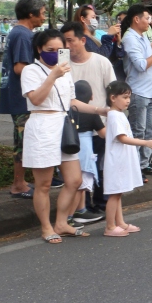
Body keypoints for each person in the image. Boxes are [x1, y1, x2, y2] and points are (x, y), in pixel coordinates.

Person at [21, 29, 101, 243]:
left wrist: (100, 110)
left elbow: (72, 102)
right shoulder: (31, 71)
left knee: (75, 180)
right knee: (44, 184)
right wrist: (53, 76)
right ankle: (47, 228)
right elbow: (36, 99)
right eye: (50, 50)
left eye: (59, 50)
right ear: (39, 49)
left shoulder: (66, 71)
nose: (55, 54)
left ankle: (62, 222)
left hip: (64, 128)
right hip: (42, 128)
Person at [63, 21, 118, 218]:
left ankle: (102, 204)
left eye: (71, 41)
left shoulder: (101, 62)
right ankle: (82, 208)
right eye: (64, 42)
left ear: (83, 40)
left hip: (100, 125)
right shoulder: (62, 66)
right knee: (80, 171)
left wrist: (114, 118)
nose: (67, 46)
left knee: (103, 167)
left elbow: (113, 92)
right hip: (72, 130)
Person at [0, 0, 47, 199]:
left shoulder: (18, 32)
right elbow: (20, 67)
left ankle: (22, 181)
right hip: (22, 97)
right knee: (23, 141)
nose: (44, 17)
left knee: (23, 139)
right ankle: (18, 184)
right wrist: (46, 73)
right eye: (43, 13)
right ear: (31, 14)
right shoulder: (23, 35)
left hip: (18, 95)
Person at [103, 80, 152, 237]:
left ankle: (120, 223)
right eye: (125, 97)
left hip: (121, 159)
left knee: (118, 193)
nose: (128, 101)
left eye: (129, 97)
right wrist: (145, 142)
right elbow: (122, 138)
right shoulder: (114, 115)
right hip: (117, 161)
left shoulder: (118, 114)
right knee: (115, 193)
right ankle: (110, 227)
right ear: (113, 98)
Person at [121, 4, 152, 177]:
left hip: (150, 91)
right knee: (138, 131)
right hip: (138, 91)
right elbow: (141, 65)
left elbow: (150, 65)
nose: (150, 22)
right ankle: (134, 167)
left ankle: (144, 165)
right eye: (147, 18)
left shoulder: (141, 37)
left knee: (150, 130)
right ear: (137, 19)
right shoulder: (130, 38)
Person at [71, 80, 106, 224]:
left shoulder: (68, 110)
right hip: (84, 148)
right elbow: (103, 133)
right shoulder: (91, 112)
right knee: (83, 181)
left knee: (72, 181)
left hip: (69, 146)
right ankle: (77, 212)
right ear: (91, 97)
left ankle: (80, 210)